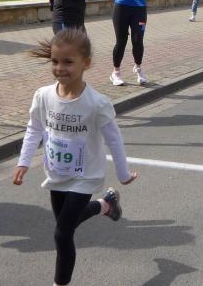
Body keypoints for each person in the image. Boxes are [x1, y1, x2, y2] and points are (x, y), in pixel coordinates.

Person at [13, 28, 137, 286]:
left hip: (85, 176)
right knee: (67, 222)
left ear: (86, 63)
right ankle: (105, 205)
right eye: (55, 61)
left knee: (62, 233)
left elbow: (114, 139)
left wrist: (123, 173)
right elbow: (34, 128)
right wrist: (23, 161)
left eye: (68, 62)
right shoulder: (43, 96)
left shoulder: (97, 103)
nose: (60, 68)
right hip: (57, 174)